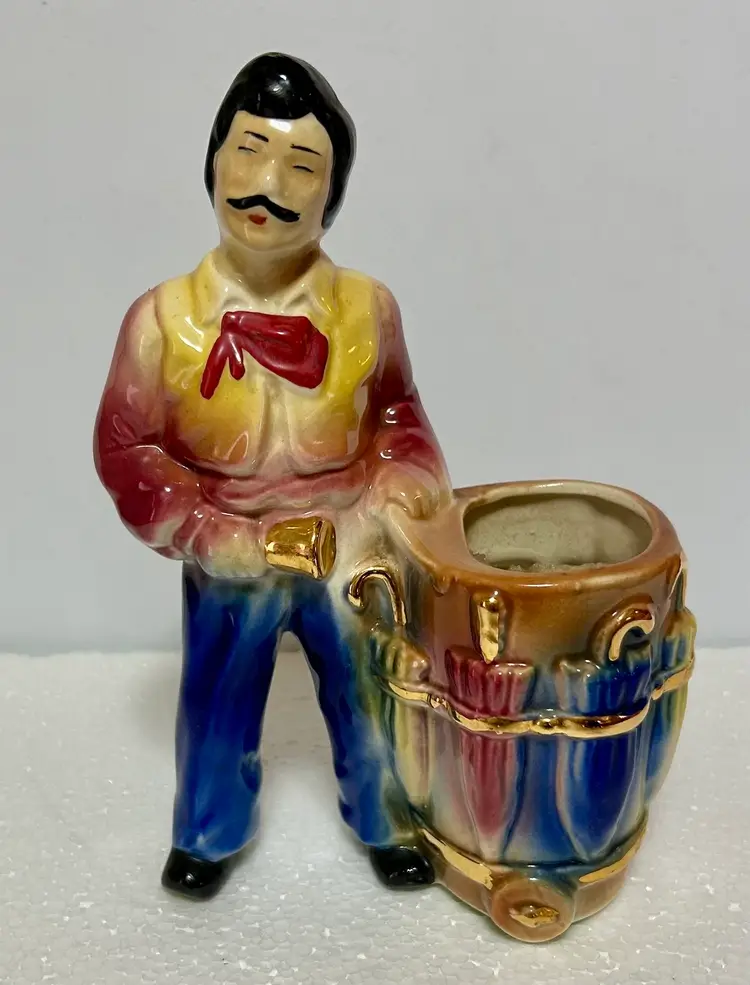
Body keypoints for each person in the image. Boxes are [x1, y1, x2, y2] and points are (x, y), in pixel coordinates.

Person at [94, 52, 451, 900]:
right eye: (249, 151)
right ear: (213, 162)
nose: (268, 185)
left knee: (374, 691)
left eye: (301, 165)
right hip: (232, 549)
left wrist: (395, 491)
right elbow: (127, 450)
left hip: (345, 538)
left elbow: (400, 416)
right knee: (217, 698)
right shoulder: (162, 321)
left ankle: (388, 819)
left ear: (332, 195)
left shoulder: (368, 309)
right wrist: (214, 532)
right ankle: (207, 830)